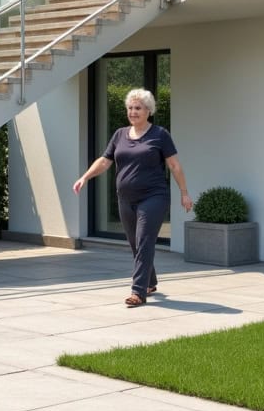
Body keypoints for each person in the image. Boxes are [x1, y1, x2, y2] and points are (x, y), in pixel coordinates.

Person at [73, 88, 192, 307]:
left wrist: (184, 193)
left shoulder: (160, 135)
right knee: (136, 244)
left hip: (153, 197)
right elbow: (105, 160)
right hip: (125, 198)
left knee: (145, 240)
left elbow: (174, 165)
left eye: (138, 108)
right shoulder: (119, 134)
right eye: (130, 108)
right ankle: (150, 281)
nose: (133, 112)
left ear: (149, 111)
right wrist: (85, 177)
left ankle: (138, 292)